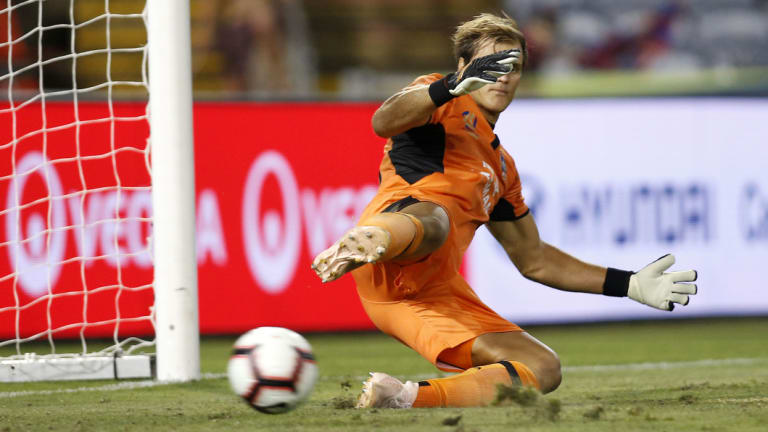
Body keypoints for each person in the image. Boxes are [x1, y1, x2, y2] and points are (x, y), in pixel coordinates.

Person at [311, 12, 698, 409]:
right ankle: (369, 239)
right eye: (489, 66)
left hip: (435, 293)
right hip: (394, 253)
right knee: (437, 218)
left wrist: (628, 284)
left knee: (543, 367)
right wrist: (450, 86)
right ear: (463, 67)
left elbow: (535, 261)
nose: (502, 76)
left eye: (512, 67)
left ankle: (402, 397)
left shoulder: (502, 169)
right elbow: (383, 120)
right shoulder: (438, 100)